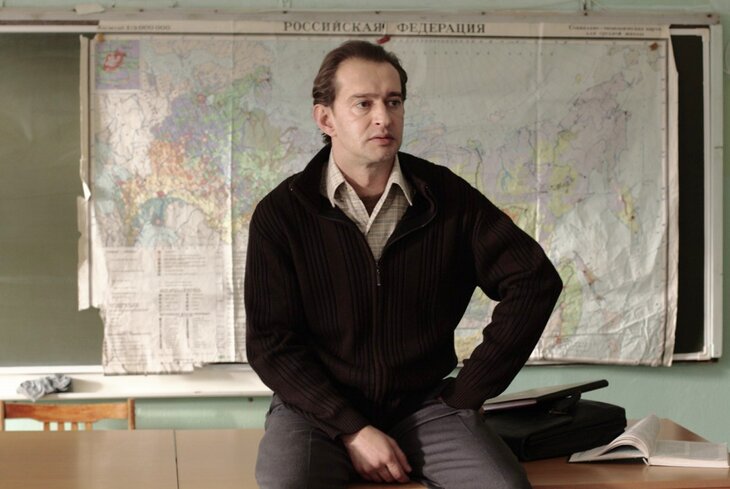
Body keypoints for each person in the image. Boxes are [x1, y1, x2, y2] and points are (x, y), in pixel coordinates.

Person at [245, 39, 563, 489]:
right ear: (325, 118)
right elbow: (269, 344)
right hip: (315, 411)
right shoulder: (282, 213)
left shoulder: (447, 196)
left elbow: (533, 279)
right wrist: (352, 428)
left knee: (503, 486)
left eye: (393, 102)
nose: (383, 117)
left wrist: (468, 393)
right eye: (364, 104)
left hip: (426, 407)